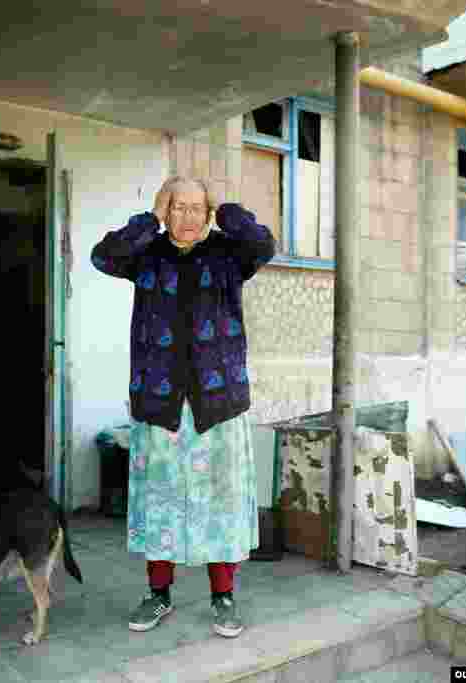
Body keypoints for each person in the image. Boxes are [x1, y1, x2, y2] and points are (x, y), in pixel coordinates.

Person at [91, 176, 275, 638]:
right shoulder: (146, 253)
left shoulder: (229, 254)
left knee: (221, 502)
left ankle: (223, 596)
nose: (188, 217)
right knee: (160, 501)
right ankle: (158, 594)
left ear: (207, 212)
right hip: (161, 401)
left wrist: (226, 212)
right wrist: (148, 220)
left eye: (197, 208)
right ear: (165, 210)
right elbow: (103, 255)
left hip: (219, 403)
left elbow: (263, 243)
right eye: (177, 207)